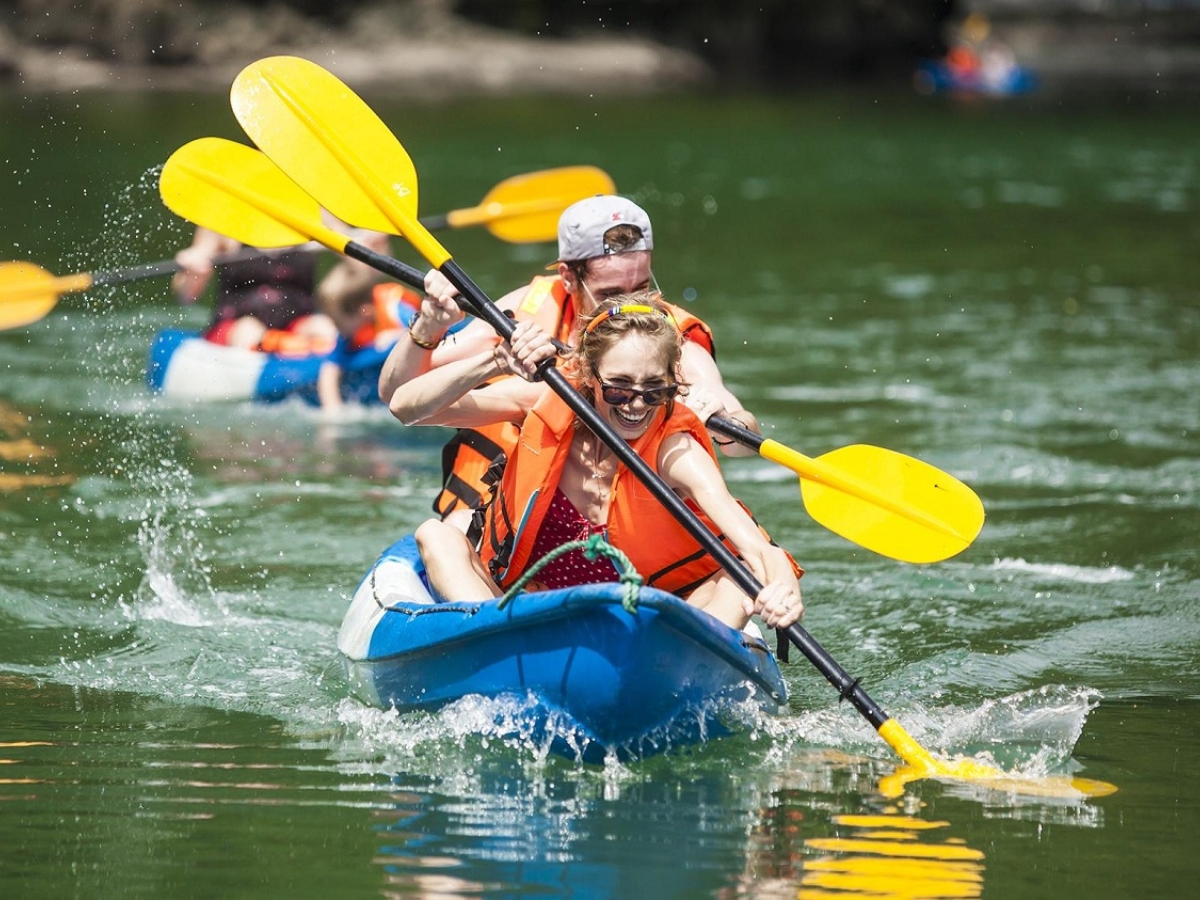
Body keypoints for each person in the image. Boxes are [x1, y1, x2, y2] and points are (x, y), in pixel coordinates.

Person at [389, 294, 803, 632]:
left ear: (671, 382)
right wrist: (496, 360)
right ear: (589, 376)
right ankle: (492, 644)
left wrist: (783, 590)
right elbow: (405, 407)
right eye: (619, 388)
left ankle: (684, 671)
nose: (636, 405)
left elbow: (756, 547)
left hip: (645, 630)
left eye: (654, 390)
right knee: (436, 535)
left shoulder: (675, 450)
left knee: (738, 580)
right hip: (526, 617)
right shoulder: (545, 402)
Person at [377, 195, 760, 531]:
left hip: (621, 523)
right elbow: (398, 394)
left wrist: (725, 424)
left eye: (641, 289)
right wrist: (428, 327)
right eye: (610, 293)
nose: (628, 308)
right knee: (453, 528)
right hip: (507, 508)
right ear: (568, 276)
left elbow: (740, 436)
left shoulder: (669, 336)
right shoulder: (522, 312)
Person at [171, 226, 338, 352]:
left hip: (295, 326)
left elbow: (351, 264)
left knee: (324, 327)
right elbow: (186, 297)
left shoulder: (315, 215)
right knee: (248, 331)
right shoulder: (223, 216)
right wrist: (194, 274)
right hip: (236, 328)